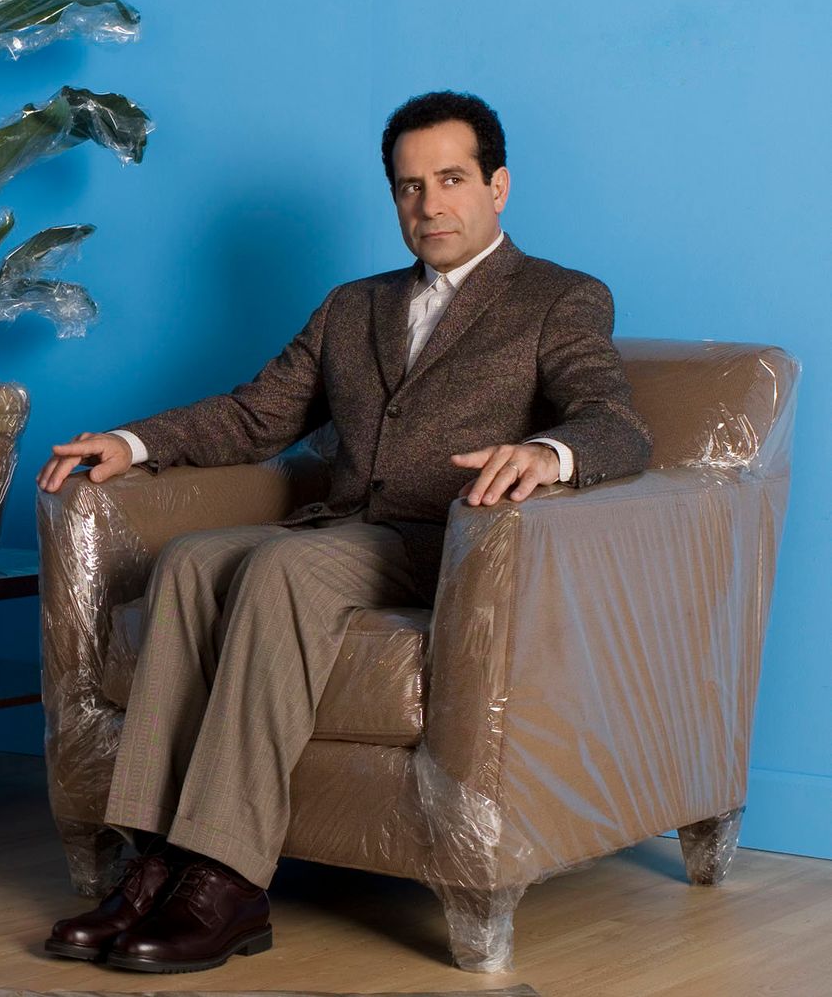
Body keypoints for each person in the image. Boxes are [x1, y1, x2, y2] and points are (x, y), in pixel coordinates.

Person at [34, 90, 652, 974]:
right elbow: (255, 416)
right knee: (188, 562)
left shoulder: (559, 298)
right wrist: (133, 442)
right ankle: (152, 860)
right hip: (344, 526)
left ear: (498, 185)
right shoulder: (352, 307)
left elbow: (615, 420)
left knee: (284, 571)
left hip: (445, 541)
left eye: (450, 179)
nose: (429, 203)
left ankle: (228, 878)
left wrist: (547, 456)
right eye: (409, 186)